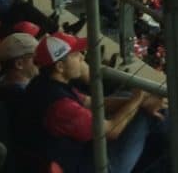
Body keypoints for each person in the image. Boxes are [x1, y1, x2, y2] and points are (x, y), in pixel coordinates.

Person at [24, 32, 168, 173]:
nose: (81, 57)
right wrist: (138, 100)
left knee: (129, 98)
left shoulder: (46, 83)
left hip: (86, 153)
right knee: (146, 115)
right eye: (75, 55)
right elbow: (112, 130)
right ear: (60, 67)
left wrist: (137, 100)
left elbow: (93, 102)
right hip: (98, 166)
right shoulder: (60, 105)